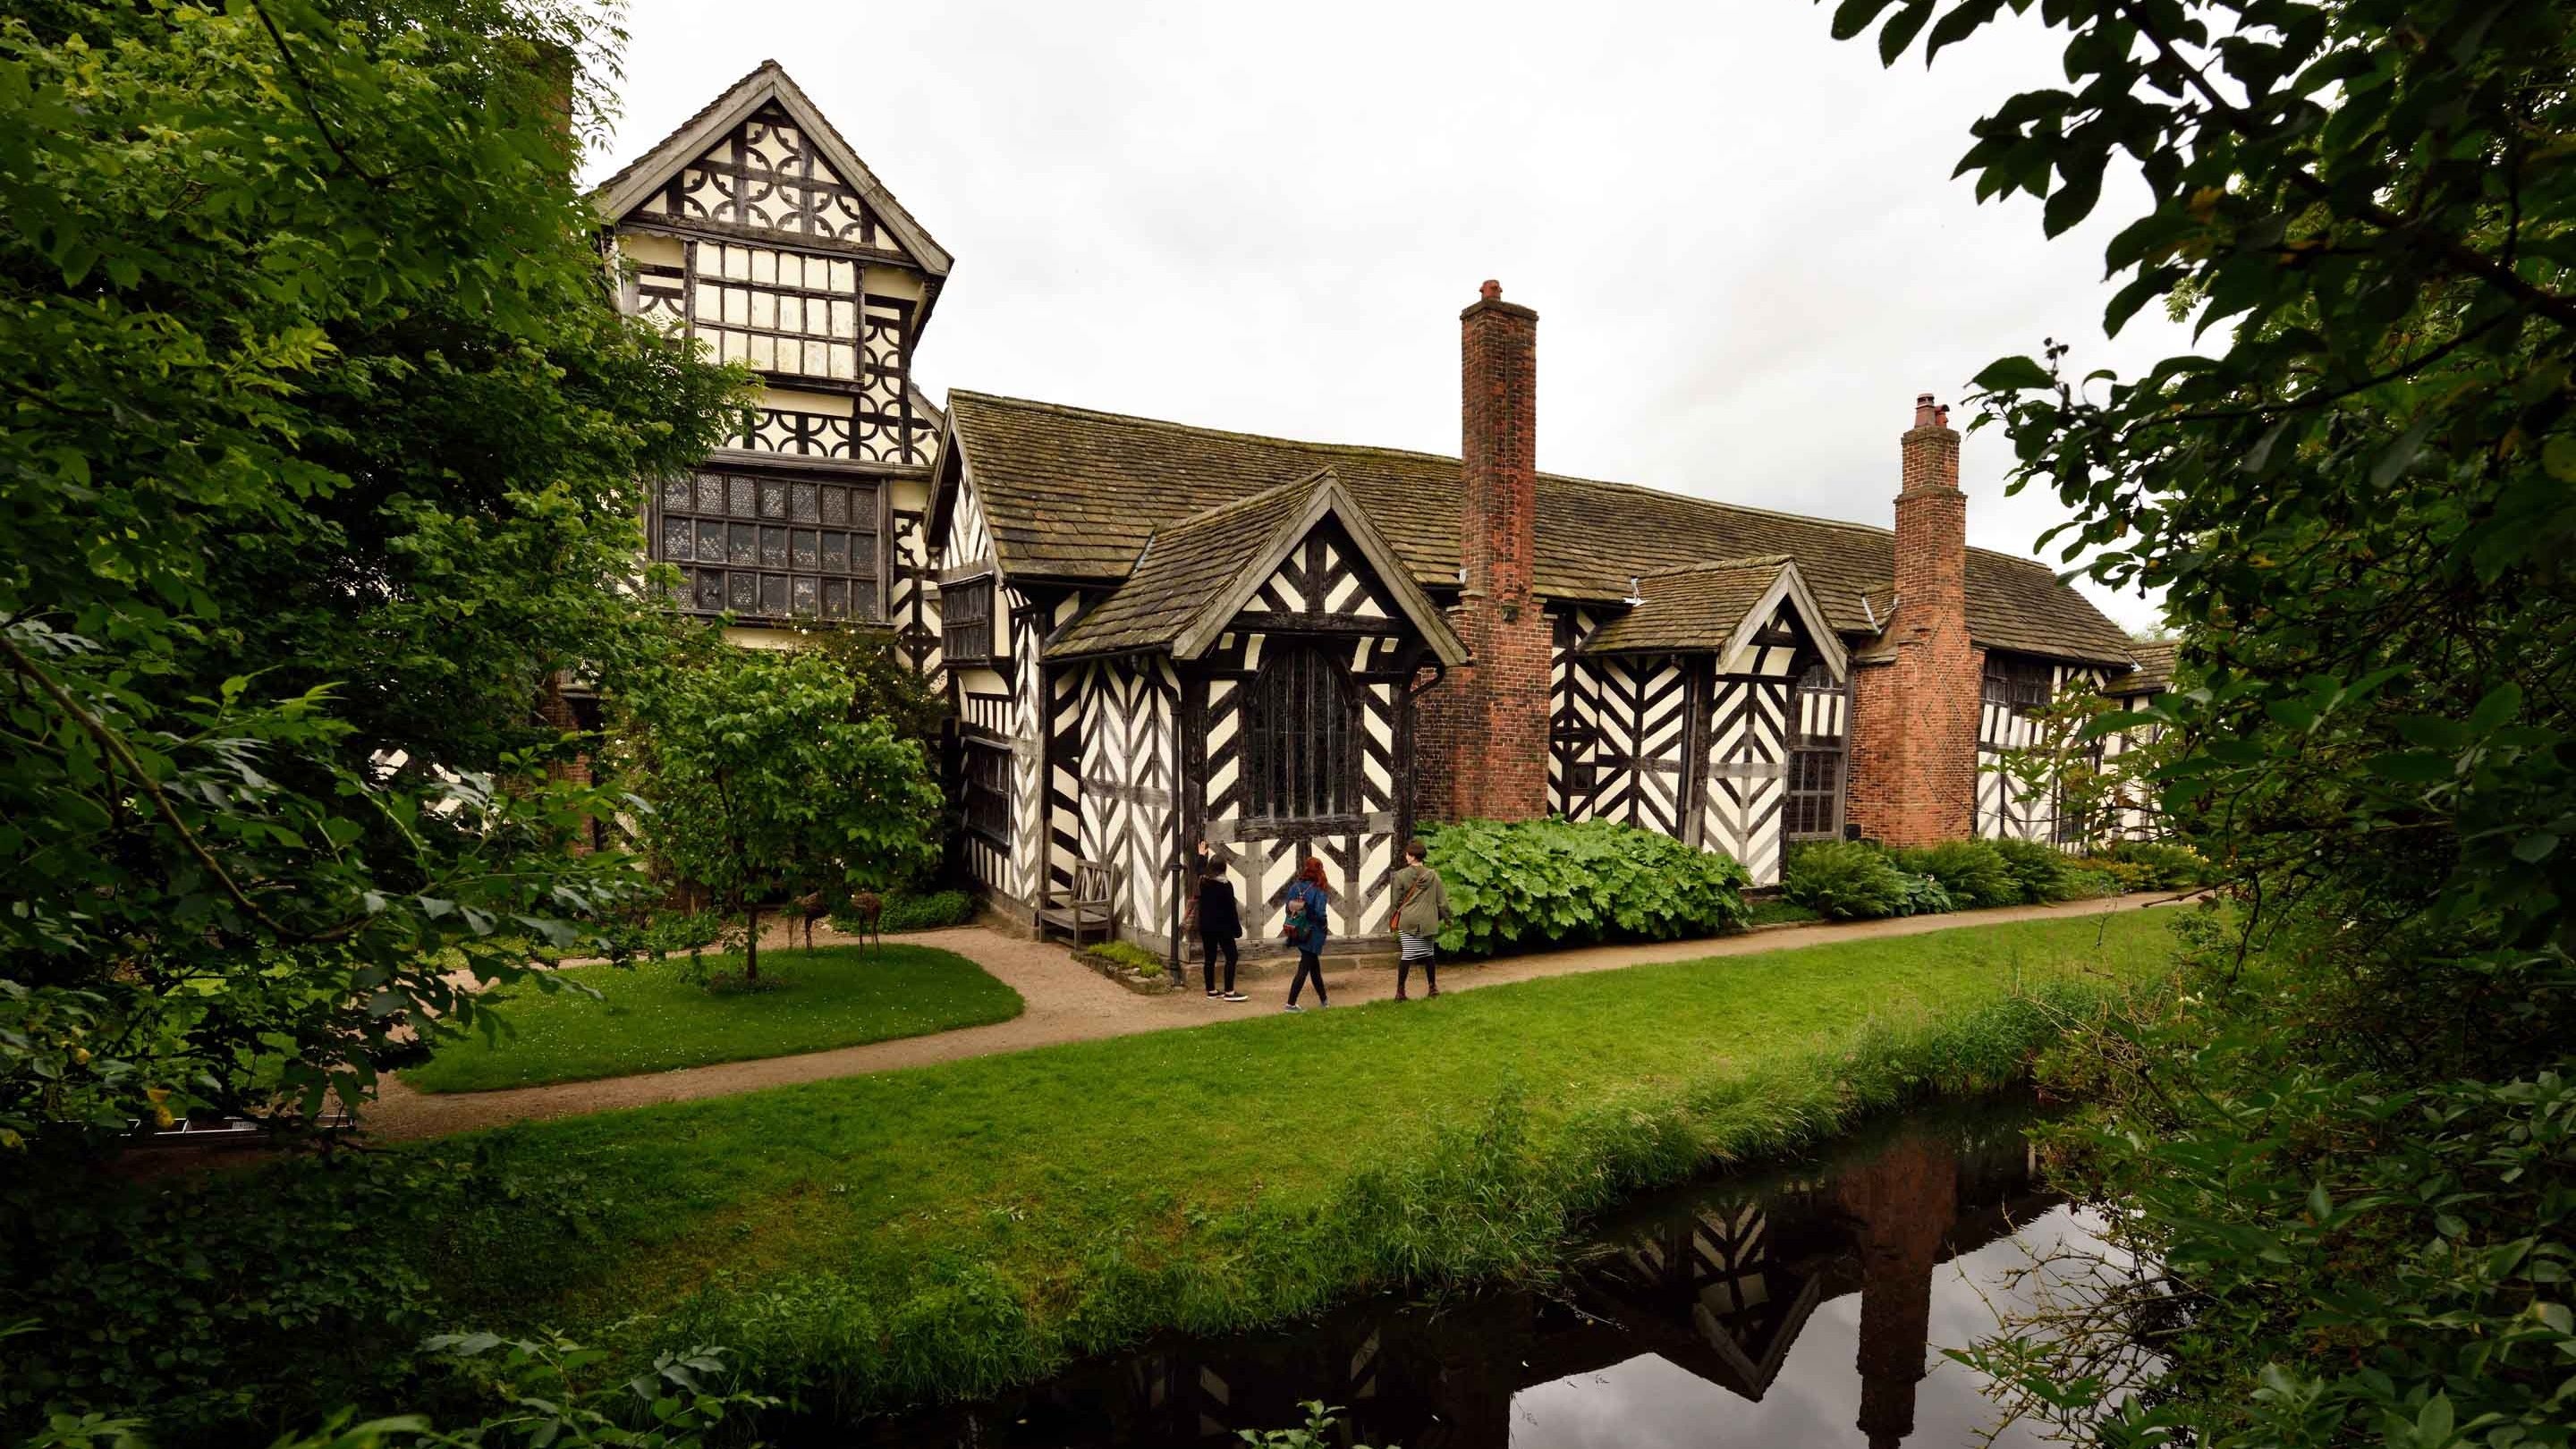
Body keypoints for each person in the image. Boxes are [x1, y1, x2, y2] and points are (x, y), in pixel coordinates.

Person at [1387, 838, 1451, 999]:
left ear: (1413, 856)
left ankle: (1400, 991)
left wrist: (1393, 919)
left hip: (1408, 920)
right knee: (1429, 954)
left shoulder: (1400, 875)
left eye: (1407, 855)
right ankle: (1432, 988)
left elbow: (1395, 902)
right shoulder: (1433, 876)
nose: (1406, 857)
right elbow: (1442, 902)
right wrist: (1448, 919)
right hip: (1428, 921)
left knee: (1407, 955)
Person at [1183, 853, 1246, 1001]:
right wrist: (1237, 930)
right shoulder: (1226, 886)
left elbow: (1199, 869)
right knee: (1232, 957)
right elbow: (1232, 910)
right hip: (1223, 928)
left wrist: (1200, 856)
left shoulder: (1204, 882)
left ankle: (1211, 990)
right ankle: (1229, 992)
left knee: (1209, 958)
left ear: (1211, 867)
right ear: (1224, 869)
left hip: (1206, 927)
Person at [1281, 856, 1331, 1012]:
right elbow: (1320, 914)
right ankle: (1290, 1004)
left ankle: (1324, 1000)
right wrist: (1323, 926)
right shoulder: (1320, 889)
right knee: (1304, 968)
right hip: (1313, 933)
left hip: (1297, 931)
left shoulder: (1295, 887)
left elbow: (1288, 909)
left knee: (1313, 966)